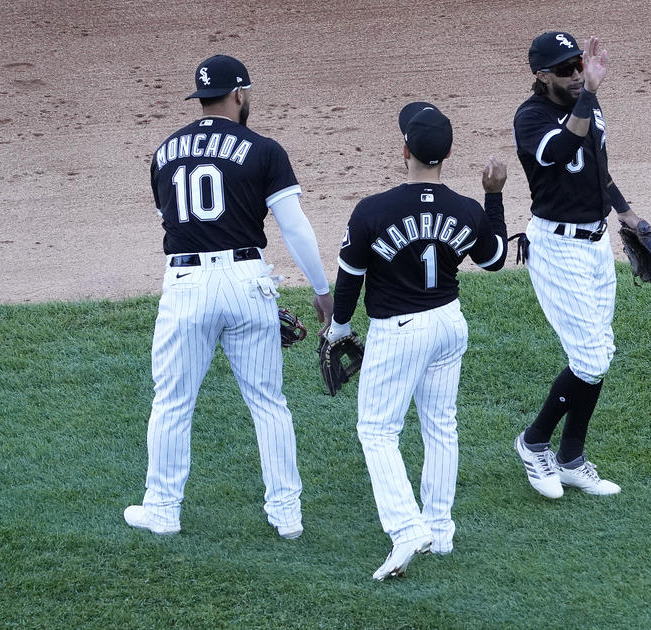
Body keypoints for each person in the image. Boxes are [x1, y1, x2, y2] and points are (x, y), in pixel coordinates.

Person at [125, 55, 334, 539]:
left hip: (186, 285)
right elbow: (294, 227)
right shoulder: (264, 149)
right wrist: (321, 290)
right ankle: (287, 515)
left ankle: (162, 508)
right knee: (268, 403)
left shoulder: (164, 151)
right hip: (247, 281)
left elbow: (172, 218)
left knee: (173, 402)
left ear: (200, 99)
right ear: (239, 95)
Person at [327, 102, 508, 580]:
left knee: (377, 430)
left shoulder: (373, 210)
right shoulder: (466, 209)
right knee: (440, 425)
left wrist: (340, 328)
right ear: (447, 155)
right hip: (449, 324)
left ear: (404, 149)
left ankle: (407, 528)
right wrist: (493, 195)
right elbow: (495, 260)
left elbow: (350, 277)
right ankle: (440, 529)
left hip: (399, 330)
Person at [510, 31, 651, 499]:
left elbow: (599, 168)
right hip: (556, 247)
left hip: (594, 244)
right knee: (591, 356)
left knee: (599, 352)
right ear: (542, 75)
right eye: (567, 69)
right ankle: (534, 442)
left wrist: (628, 215)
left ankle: (571, 457)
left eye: (580, 65)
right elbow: (558, 153)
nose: (577, 74)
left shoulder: (589, 105)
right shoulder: (530, 118)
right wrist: (589, 92)